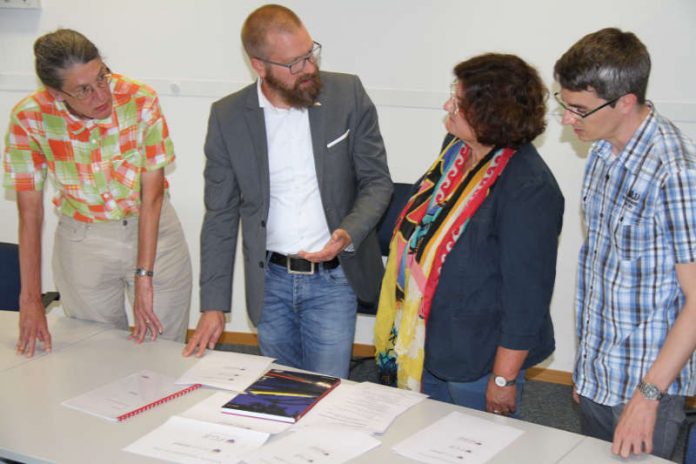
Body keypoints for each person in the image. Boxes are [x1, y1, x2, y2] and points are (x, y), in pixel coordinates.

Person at [183, 4, 392, 379]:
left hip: (332, 278)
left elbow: (377, 182)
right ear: (259, 66)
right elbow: (220, 215)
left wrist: (347, 232)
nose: (309, 68)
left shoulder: (347, 94)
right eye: (294, 63)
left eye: (310, 53)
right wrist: (213, 304)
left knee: (327, 393)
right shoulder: (228, 116)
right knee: (279, 392)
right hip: (270, 284)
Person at [374, 54, 564, 416]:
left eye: (458, 102)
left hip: (476, 359)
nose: (447, 105)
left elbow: (527, 297)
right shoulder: (455, 152)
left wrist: (504, 379)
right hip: (424, 339)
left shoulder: (529, 189)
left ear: (490, 115)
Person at [3, 29, 192, 357]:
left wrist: (144, 276)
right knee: (95, 355)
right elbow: (29, 214)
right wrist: (30, 298)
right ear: (55, 93)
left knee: (162, 352)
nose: (101, 95)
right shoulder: (29, 118)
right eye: (83, 90)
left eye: (102, 77)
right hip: (83, 243)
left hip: (152, 232)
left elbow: (153, 194)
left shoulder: (139, 98)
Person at [554, 28, 696, 459]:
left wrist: (648, 396)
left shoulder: (674, 172)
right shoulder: (600, 150)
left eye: (578, 108)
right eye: (563, 104)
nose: (566, 119)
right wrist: (586, 371)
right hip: (599, 376)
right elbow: (603, 269)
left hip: (646, 389)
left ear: (625, 102)